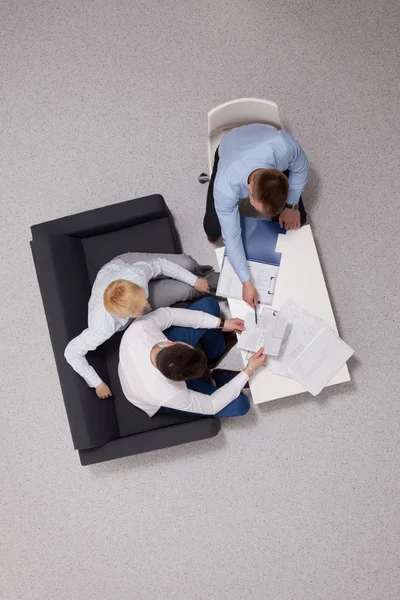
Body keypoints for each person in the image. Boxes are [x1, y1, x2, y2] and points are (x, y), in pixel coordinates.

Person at [65, 253, 213, 399]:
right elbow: (71, 352)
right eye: (143, 308)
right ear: (124, 316)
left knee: (188, 264)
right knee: (187, 290)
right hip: (123, 299)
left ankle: (202, 274)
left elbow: (161, 264)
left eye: (145, 301)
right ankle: (213, 282)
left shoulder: (135, 274)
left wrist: (195, 280)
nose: (148, 305)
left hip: (122, 266)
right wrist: (97, 383)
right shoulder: (101, 328)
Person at [203, 123, 309, 307]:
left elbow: (301, 168)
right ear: (249, 190)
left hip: (264, 141)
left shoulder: (285, 147)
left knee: (298, 219)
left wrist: (291, 206)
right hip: (230, 147)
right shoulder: (226, 186)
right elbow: (232, 235)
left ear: (279, 174)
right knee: (213, 229)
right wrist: (246, 282)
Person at [118, 296, 267, 417]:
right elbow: (212, 405)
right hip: (152, 397)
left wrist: (221, 323)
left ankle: (215, 352)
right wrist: (249, 369)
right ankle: (218, 378)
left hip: (149, 362)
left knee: (209, 305)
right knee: (240, 405)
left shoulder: (140, 329)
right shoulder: (169, 394)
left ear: (170, 343)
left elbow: (172, 315)